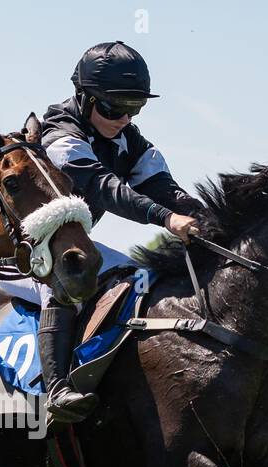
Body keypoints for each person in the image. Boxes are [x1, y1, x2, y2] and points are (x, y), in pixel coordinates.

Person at [32, 40, 201, 423]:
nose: (124, 118)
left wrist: (204, 218)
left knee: (137, 280)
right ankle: (57, 388)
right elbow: (105, 188)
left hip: (76, 244)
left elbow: (163, 187)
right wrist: (166, 219)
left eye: (134, 107)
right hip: (31, 249)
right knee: (69, 276)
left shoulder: (130, 139)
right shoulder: (59, 133)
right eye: (114, 107)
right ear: (85, 97)